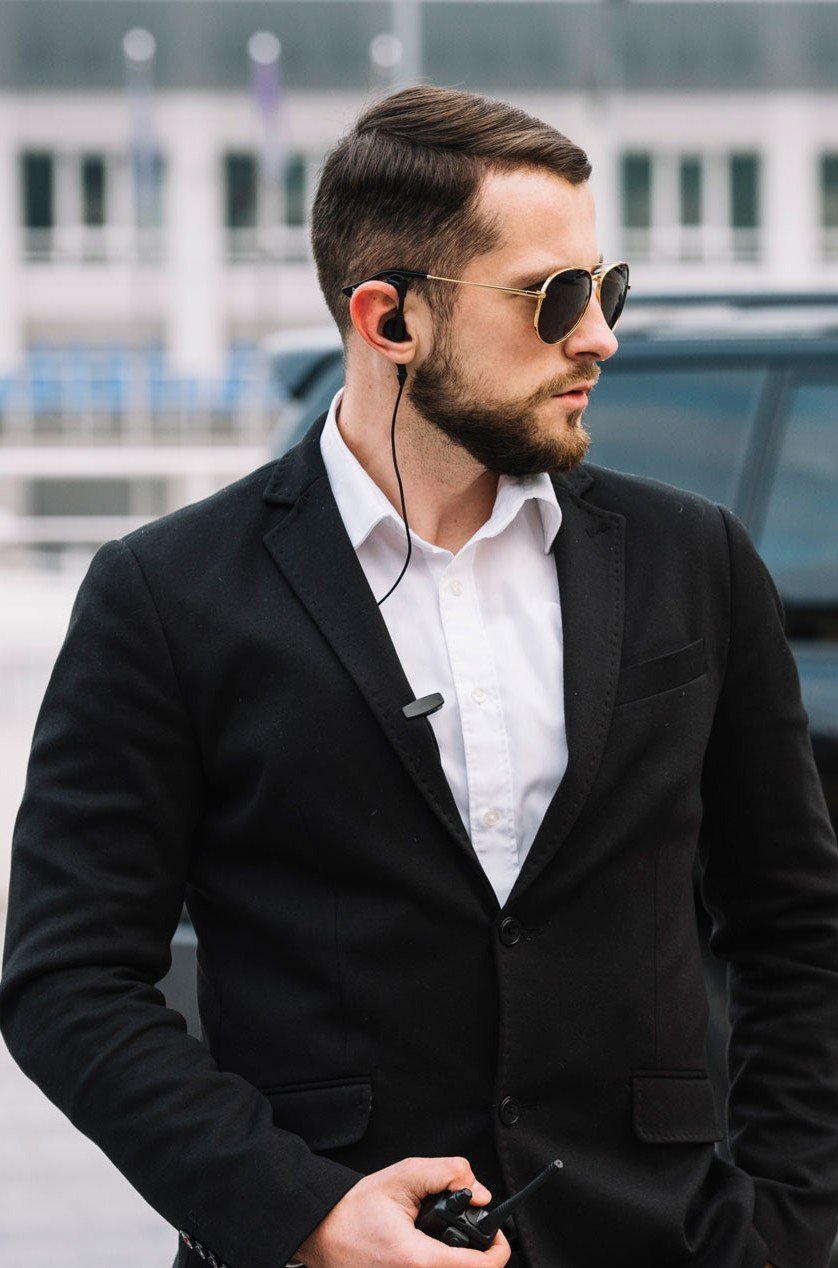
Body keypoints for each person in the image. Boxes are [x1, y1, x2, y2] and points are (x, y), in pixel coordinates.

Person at [1, 84, 836, 1268]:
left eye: (606, 288)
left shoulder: (692, 557)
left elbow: (797, 925)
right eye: (551, 297)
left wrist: (786, 1224)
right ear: (388, 318)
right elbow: (67, 977)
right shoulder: (166, 591)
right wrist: (302, 1211)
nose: (598, 335)